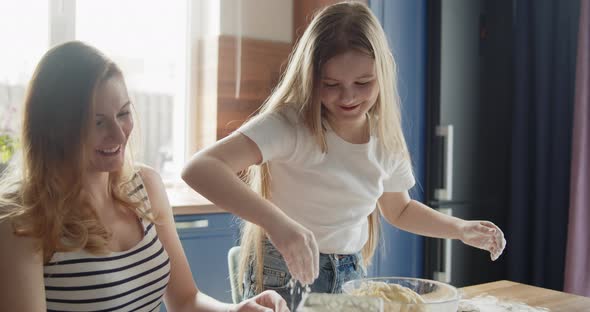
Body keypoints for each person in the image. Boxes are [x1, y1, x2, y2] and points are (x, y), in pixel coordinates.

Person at [181, 1, 506, 307]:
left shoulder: (385, 136)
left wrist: (460, 229)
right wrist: (279, 225)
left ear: (383, 74)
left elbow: (400, 209)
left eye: (363, 82)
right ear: (311, 78)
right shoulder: (290, 124)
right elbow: (199, 168)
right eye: (332, 84)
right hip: (283, 272)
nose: (348, 97)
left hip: (351, 272)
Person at [0, 41, 288, 312]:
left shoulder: (145, 187)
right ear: (55, 128)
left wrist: (236, 309)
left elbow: (186, 300)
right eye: (97, 122)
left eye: (123, 113)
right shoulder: (21, 221)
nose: (117, 133)